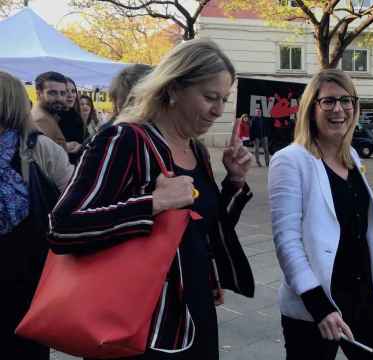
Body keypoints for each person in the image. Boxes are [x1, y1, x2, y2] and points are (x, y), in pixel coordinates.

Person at [48, 39, 255, 359]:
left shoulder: (195, 149)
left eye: (224, 99)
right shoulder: (124, 138)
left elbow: (201, 226)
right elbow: (64, 226)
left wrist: (235, 182)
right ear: (173, 88)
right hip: (141, 322)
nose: (218, 110)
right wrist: (152, 203)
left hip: (194, 310)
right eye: (210, 97)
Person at [268, 69, 373, 360]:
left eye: (345, 100)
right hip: (315, 305)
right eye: (327, 101)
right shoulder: (290, 160)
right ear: (311, 108)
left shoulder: (351, 156)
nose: (338, 109)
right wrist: (319, 305)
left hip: (363, 300)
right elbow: (287, 241)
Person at [0, 70, 73, 359]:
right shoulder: (41, 146)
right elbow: (72, 196)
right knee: (26, 343)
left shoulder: (39, 147)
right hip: (31, 265)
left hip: (27, 267)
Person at [31, 71, 69, 150]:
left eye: (62, 93)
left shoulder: (49, 114)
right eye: (52, 93)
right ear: (38, 94)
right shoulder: (40, 120)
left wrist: (66, 146)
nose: (59, 98)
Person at [59, 77, 87, 164]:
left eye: (73, 91)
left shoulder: (77, 116)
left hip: (77, 165)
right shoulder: (53, 116)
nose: (70, 95)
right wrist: (65, 146)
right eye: (66, 91)